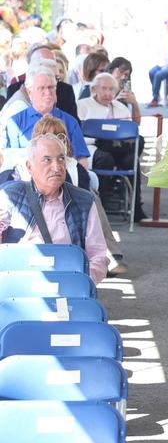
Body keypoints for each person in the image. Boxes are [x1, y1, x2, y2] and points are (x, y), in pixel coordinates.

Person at [0, 133, 108, 284]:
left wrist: (83, 281)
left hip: (66, 282)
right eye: (47, 160)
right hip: (20, 282)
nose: (56, 167)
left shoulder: (84, 201)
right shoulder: (9, 196)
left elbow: (98, 255)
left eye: (61, 159)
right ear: (30, 166)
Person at [76, 72, 148, 220]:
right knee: (105, 159)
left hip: (119, 149)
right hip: (95, 147)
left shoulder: (121, 107)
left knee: (132, 160)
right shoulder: (83, 105)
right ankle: (101, 208)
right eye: (103, 88)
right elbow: (78, 134)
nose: (107, 93)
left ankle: (136, 207)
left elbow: (131, 131)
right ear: (94, 89)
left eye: (111, 89)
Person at [7, 66, 90, 170]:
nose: (48, 92)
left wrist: (80, 177)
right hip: (27, 174)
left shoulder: (70, 121)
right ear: (29, 92)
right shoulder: (15, 122)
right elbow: (11, 159)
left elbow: (81, 158)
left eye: (51, 87)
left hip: (64, 174)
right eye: (41, 88)